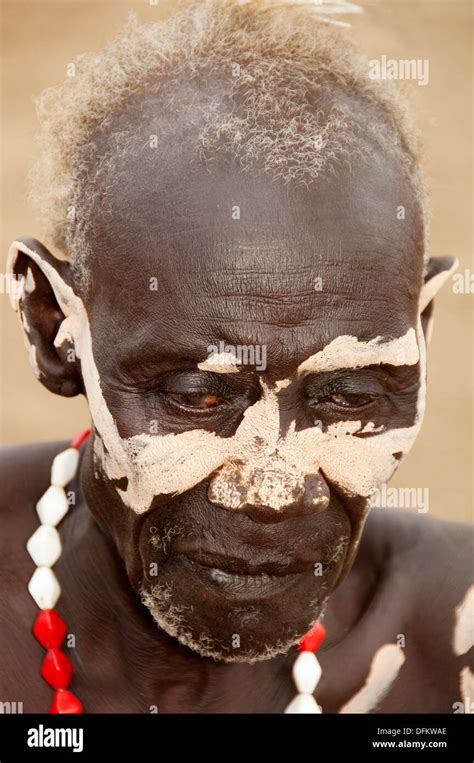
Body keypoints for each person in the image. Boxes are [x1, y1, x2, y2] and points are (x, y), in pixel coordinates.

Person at [1, 0, 472, 714]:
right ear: (55, 327)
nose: (271, 490)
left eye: (348, 395)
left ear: (422, 334)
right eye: (197, 393)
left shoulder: (453, 632)